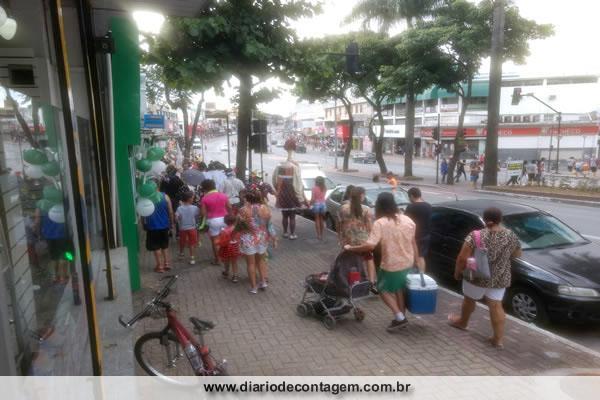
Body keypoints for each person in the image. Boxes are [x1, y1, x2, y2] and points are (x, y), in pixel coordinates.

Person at [344, 192, 424, 332]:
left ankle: (400, 318)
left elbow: (370, 246)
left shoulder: (380, 223)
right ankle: (400, 318)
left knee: (382, 289)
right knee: (399, 289)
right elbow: (413, 242)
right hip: (408, 261)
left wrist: (351, 248)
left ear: (379, 205)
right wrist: (417, 260)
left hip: (392, 264)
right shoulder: (407, 220)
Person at [448, 207, 522, 349]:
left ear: (485, 219)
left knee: (469, 300)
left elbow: (462, 258)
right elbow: (517, 254)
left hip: (476, 276)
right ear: (500, 219)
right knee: (496, 305)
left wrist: (457, 272)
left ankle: (462, 323)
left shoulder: (475, 235)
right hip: (500, 278)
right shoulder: (511, 235)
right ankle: (497, 339)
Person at [337, 186, 377, 292]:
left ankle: (352, 283)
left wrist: (340, 238)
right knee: (369, 259)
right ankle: (371, 282)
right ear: (362, 196)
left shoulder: (343, 208)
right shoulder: (366, 209)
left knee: (351, 261)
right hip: (363, 242)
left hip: (348, 241)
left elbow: (339, 225)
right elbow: (370, 227)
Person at [238, 190, 272, 294]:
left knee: (251, 264)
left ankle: (254, 287)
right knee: (261, 261)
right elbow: (269, 224)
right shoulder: (265, 208)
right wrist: (272, 237)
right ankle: (263, 282)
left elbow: (240, 226)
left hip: (248, 239)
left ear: (247, 199)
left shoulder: (243, 210)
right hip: (262, 237)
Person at [273, 139, 305, 240]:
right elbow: (298, 184)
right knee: (292, 216)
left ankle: (285, 233)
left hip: (283, 194)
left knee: (284, 216)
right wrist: (300, 196)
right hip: (292, 194)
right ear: (294, 148)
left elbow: (276, 181)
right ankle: (292, 234)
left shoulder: (280, 165)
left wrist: (278, 193)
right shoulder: (295, 166)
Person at [143, 185, 175, 273]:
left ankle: (160, 266)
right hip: (164, 225)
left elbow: (143, 213)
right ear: (158, 187)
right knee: (165, 245)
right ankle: (167, 263)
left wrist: (144, 224)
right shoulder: (165, 196)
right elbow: (170, 211)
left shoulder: (147, 198)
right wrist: (172, 223)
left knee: (156, 247)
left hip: (152, 226)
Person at [200, 179, 231, 265]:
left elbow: (203, 213)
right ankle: (227, 257)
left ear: (205, 188)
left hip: (213, 220)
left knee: (215, 241)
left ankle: (218, 260)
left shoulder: (205, 198)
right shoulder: (223, 195)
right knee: (225, 238)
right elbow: (229, 207)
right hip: (224, 219)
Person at [404, 187, 432, 263]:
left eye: (409, 197)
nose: (409, 199)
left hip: (415, 236)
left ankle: (414, 269)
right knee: (421, 256)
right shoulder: (428, 206)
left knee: (413, 256)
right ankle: (421, 270)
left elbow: (405, 221)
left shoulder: (411, 207)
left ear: (412, 196)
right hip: (426, 235)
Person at [175, 191, 200, 265]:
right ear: (189, 199)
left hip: (182, 228)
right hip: (192, 228)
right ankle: (192, 258)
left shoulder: (179, 208)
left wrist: (177, 219)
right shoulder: (195, 208)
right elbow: (197, 216)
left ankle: (181, 254)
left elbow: (176, 218)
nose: (193, 199)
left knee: (182, 242)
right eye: (192, 198)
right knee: (192, 243)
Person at [218, 214, 241, 283]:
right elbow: (239, 238)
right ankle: (235, 276)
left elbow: (222, 240)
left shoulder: (224, 230)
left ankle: (226, 272)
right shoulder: (237, 229)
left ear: (225, 222)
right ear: (234, 221)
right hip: (235, 247)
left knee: (226, 261)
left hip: (226, 247)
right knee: (234, 262)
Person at [310, 176, 327, 240]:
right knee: (321, 219)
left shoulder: (314, 188)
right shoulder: (325, 188)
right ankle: (321, 234)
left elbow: (313, 199)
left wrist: (310, 204)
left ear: (316, 181)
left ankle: (318, 235)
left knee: (317, 219)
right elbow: (323, 197)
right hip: (323, 204)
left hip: (317, 204)